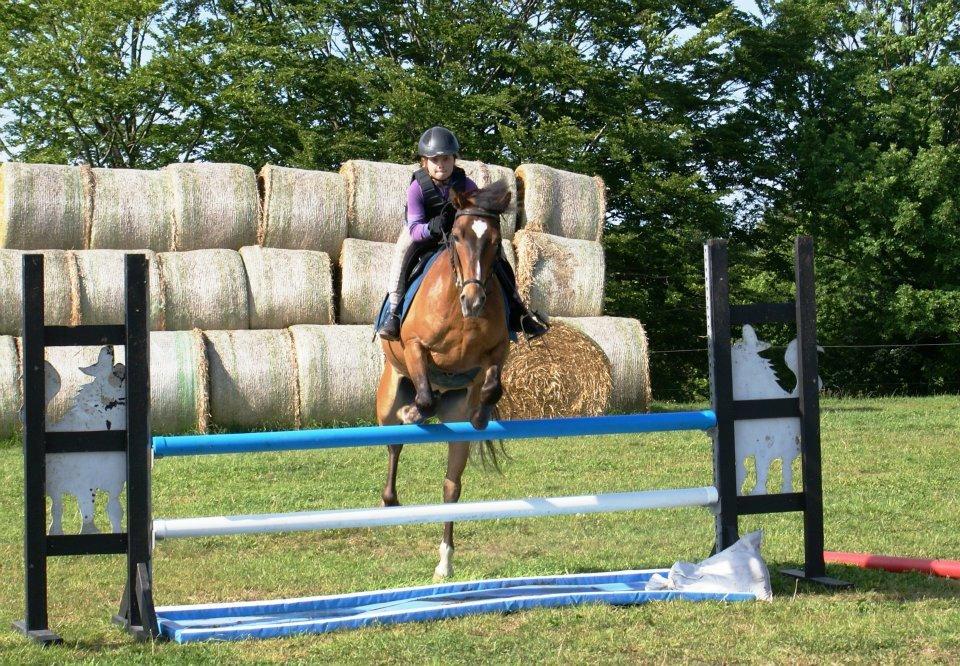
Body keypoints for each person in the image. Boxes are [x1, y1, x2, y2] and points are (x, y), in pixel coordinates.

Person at [378, 126, 549, 341]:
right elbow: (414, 228)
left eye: (446, 159)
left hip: (459, 235)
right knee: (402, 251)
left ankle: (517, 310)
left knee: (500, 254)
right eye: (435, 160)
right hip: (423, 234)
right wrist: (431, 228)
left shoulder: (466, 184)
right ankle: (394, 312)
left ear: (454, 160)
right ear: (425, 162)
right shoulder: (416, 188)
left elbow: (477, 218)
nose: (441, 165)